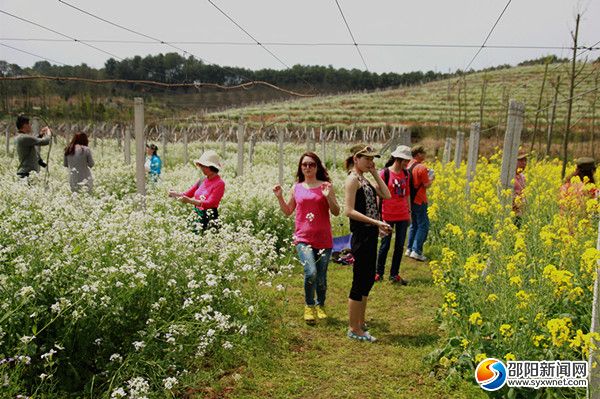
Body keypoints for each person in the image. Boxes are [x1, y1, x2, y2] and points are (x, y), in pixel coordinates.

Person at [273, 152, 340, 324]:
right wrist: (280, 197)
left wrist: (328, 197)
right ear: (301, 167)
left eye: (311, 164)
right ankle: (309, 306)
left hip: (324, 238)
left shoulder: (326, 186)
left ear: (317, 167)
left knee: (321, 277)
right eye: (305, 165)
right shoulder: (296, 187)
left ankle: (321, 304)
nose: (308, 167)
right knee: (310, 272)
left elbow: (336, 211)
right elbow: (288, 211)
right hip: (303, 238)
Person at [344, 144, 392, 342]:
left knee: (368, 280)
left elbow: (387, 195)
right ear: (356, 159)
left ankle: (360, 322)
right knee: (359, 281)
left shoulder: (365, 179)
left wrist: (374, 173)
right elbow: (348, 210)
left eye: (373, 160)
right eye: (367, 159)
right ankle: (353, 328)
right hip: (361, 236)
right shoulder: (352, 180)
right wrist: (376, 222)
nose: (371, 162)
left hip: (370, 234)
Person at [375, 145, 412, 285]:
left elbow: (407, 194)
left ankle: (394, 274)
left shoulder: (407, 174)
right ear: (398, 158)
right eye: (405, 160)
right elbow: (378, 195)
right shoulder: (384, 173)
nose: (407, 163)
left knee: (399, 245)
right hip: (387, 215)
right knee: (385, 245)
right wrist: (378, 217)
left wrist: (409, 213)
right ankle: (379, 273)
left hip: (402, 215)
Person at [168, 150, 225, 232]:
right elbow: (187, 194)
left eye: (203, 166)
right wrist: (175, 194)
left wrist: (190, 201)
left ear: (211, 167)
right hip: (197, 215)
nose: (201, 168)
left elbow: (210, 204)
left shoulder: (219, 183)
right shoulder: (202, 180)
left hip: (209, 218)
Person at [405, 145, 434, 262]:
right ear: (418, 154)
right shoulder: (421, 168)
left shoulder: (408, 165)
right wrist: (432, 177)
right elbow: (426, 184)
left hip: (410, 200)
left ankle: (409, 248)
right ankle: (416, 251)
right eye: (423, 153)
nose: (425, 156)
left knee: (414, 224)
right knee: (423, 225)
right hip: (420, 199)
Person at [513, 153, 527, 226]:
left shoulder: (523, 177)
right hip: (511, 215)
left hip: (520, 214)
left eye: (525, 160)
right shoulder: (507, 177)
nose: (524, 163)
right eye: (521, 160)